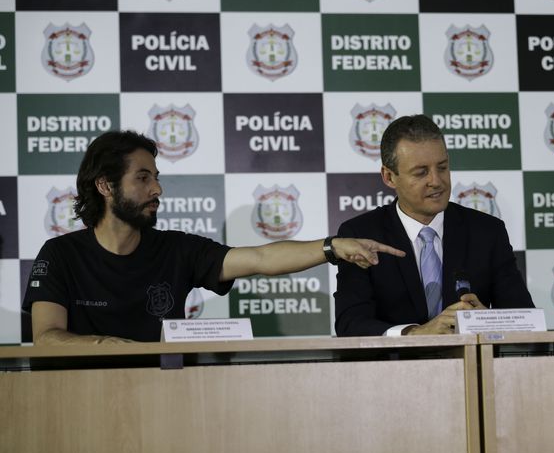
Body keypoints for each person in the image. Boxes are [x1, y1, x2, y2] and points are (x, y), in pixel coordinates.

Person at [22, 130, 404, 344]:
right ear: (105, 186)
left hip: (163, 395)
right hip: (80, 397)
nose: (157, 189)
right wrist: (114, 347)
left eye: (156, 177)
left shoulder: (176, 249)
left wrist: (332, 247)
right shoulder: (60, 254)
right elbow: (47, 336)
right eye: (142, 178)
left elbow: (260, 259)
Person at [334, 114, 534, 336]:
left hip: (470, 358)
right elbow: (350, 324)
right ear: (389, 177)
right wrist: (414, 334)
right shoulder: (360, 234)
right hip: (394, 359)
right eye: (421, 173)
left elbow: (527, 322)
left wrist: (486, 321)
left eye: (442, 167)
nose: (436, 181)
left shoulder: (487, 232)